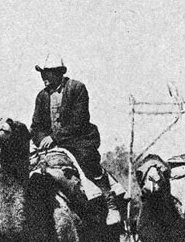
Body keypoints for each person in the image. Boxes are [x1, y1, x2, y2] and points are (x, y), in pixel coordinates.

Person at [30, 54, 121, 225]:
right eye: (42, 73)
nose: (43, 77)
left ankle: (110, 203)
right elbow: (36, 125)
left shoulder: (77, 88)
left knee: (87, 160)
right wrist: (42, 139)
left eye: (47, 73)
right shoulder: (42, 96)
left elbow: (79, 120)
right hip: (50, 145)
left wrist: (54, 137)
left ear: (58, 73)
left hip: (78, 139)